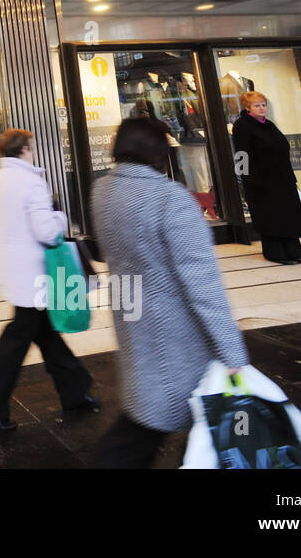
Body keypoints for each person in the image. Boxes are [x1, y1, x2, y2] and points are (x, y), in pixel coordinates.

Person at [91, 117, 248, 468]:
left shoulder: (102, 191)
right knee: (150, 429)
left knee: (150, 417)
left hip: (132, 319)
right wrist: (234, 353)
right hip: (177, 334)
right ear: (160, 151)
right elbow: (204, 285)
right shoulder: (171, 200)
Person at [0, 128, 96, 431]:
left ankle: (76, 390)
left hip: (11, 270)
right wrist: (61, 218)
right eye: (32, 147)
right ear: (24, 150)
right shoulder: (32, 182)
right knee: (19, 337)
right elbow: (47, 232)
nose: (34, 151)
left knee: (44, 331)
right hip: (36, 272)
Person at [231, 91, 301, 265]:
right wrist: (248, 179)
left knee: (289, 215)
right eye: (257, 105)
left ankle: (294, 252)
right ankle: (275, 253)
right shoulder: (243, 125)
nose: (261, 108)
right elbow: (242, 154)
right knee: (271, 217)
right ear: (248, 107)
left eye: (263, 104)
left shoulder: (269, 124)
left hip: (282, 179)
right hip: (261, 181)